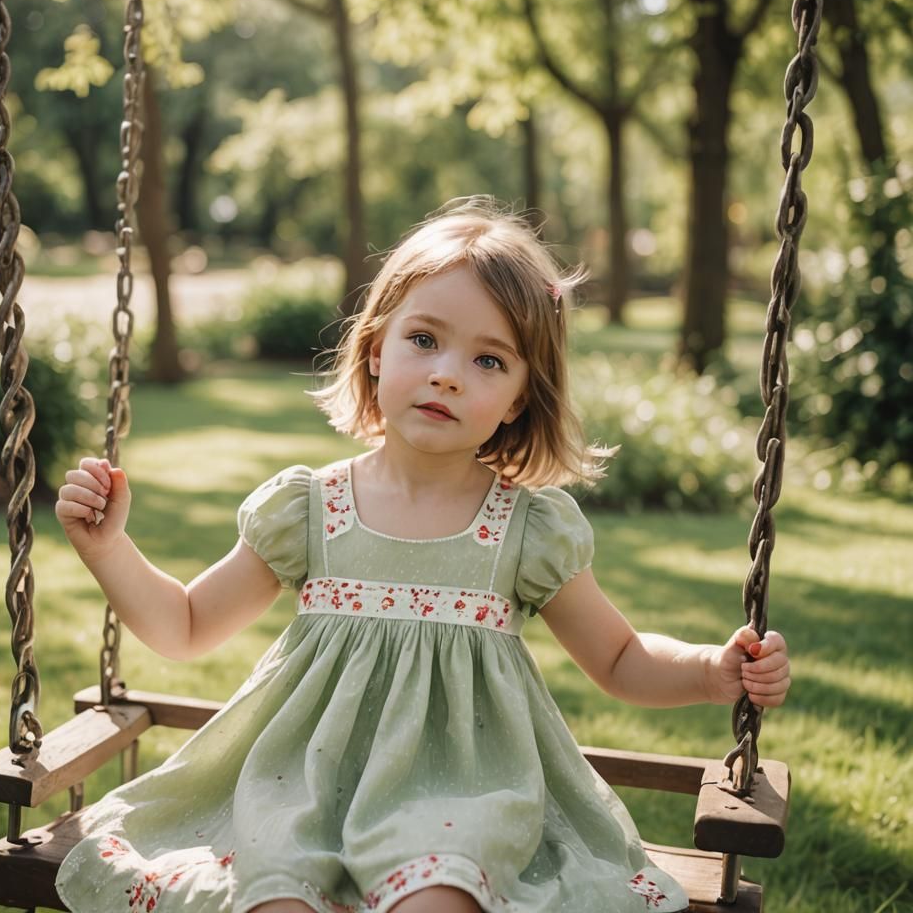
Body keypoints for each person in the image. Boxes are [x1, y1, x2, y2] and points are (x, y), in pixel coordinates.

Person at [54, 197, 791, 913]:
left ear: (518, 402)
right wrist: (108, 548)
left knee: (437, 895)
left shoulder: (525, 530)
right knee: (274, 892)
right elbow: (185, 626)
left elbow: (621, 658)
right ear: (376, 350)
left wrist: (709, 669)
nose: (447, 373)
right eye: (425, 340)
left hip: (459, 799)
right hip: (305, 788)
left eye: (490, 361)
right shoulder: (308, 510)